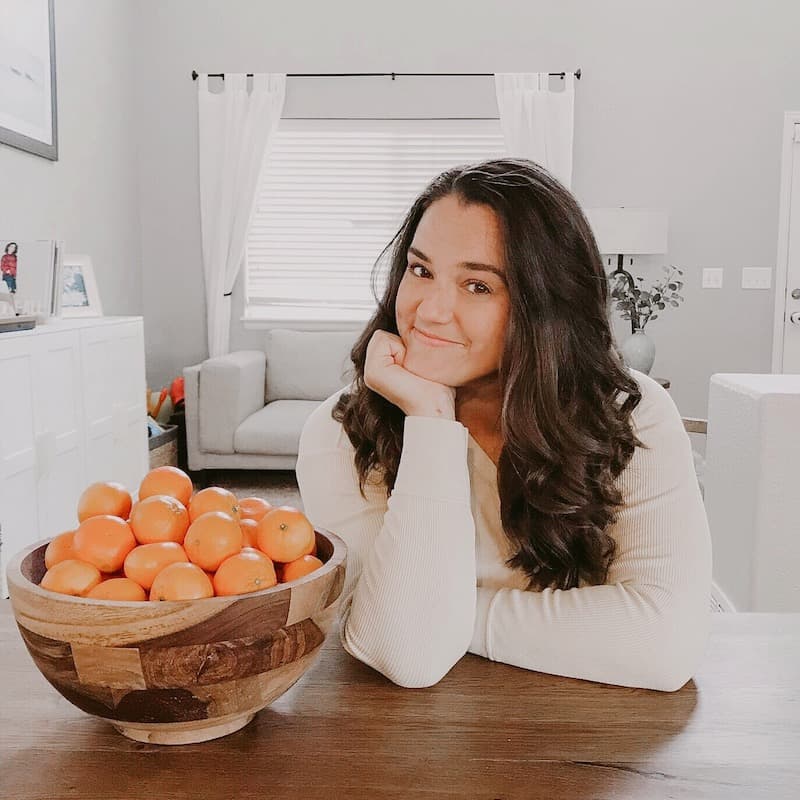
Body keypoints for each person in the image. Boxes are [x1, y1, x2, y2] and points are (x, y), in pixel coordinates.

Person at [295, 158, 712, 692]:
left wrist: (450, 615)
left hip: (587, 737)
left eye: (478, 286)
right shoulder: (341, 431)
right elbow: (407, 653)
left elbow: (663, 645)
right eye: (420, 271)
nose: (429, 312)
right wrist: (430, 421)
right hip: (411, 743)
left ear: (546, 308)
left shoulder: (631, 412)